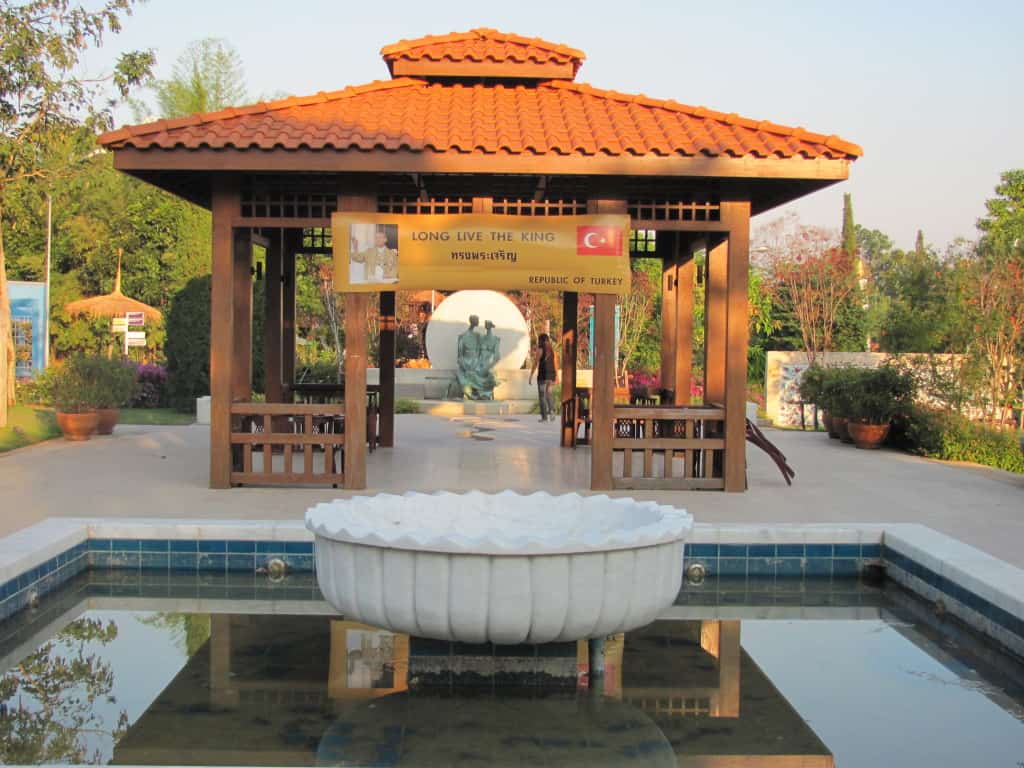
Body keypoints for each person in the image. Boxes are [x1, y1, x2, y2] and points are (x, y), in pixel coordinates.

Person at [529, 333, 557, 422]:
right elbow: (556, 364)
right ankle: (552, 413)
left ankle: (544, 417)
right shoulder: (553, 351)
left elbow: (535, 363)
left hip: (543, 376)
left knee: (542, 396)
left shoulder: (540, 350)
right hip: (551, 375)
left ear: (540, 341)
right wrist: (557, 376)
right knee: (549, 394)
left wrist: (531, 375)